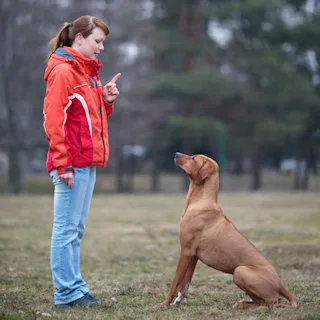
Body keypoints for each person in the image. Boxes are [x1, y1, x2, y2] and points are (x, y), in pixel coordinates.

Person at [43, 15, 121, 308]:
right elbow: (54, 121)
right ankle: (67, 293)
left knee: (75, 230)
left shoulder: (87, 73)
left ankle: (75, 288)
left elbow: (88, 120)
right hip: (71, 165)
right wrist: (62, 165)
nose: (101, 48)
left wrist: (106, 100)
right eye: (97, 41)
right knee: (65, 231)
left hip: (85, 163)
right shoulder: (64, 72)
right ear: (79, 39)